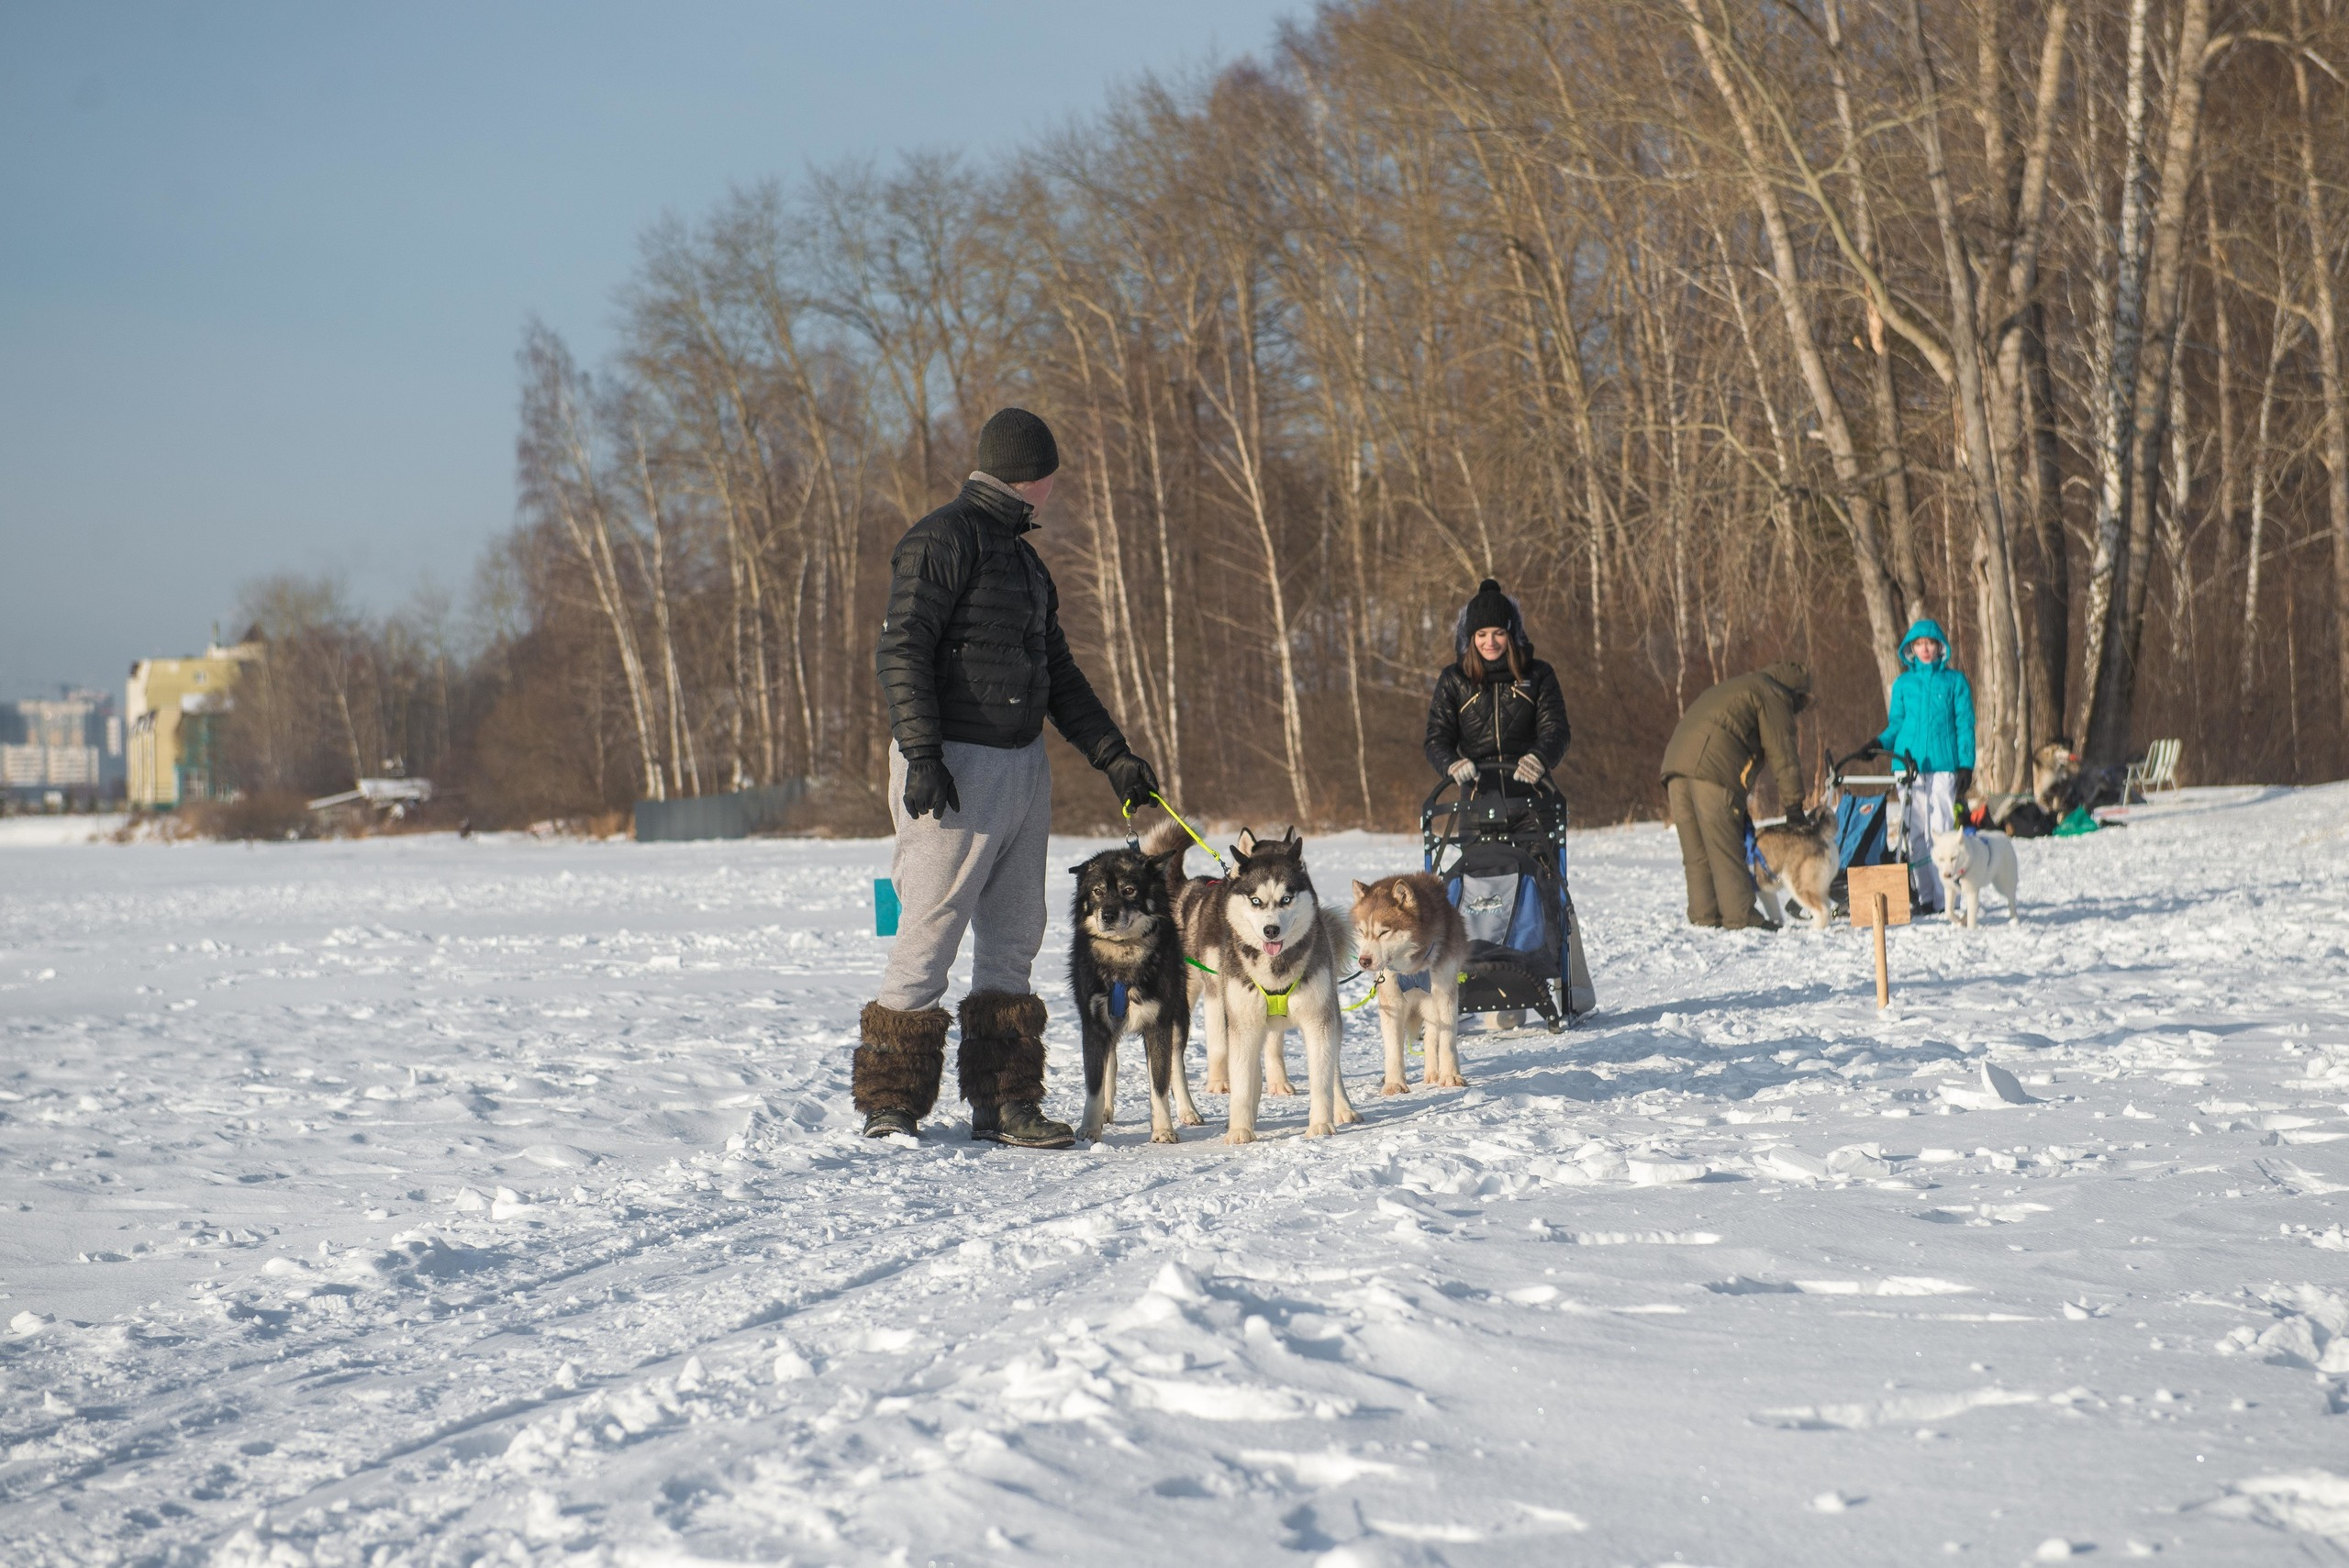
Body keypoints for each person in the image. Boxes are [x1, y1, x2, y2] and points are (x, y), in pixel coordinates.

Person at [859, 407, 1159, 1149]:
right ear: (1035, 475)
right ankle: (892, 1102)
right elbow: (901, 652)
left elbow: (1058, 674)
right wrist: (922, 754)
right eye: (1055, 474)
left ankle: (1006, 1101)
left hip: (1022, 768)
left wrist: (1114, 756)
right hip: (953, 769)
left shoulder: (1025, 563)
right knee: (928, 928)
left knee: (1015, 937)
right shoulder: (941, 540)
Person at [1660, 662, 1814, 930]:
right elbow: (1783, 753)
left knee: (1697, 852)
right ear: (1796, 694)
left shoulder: (1741, 685)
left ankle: (1704, 915)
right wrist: (1794, 806)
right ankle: (1740, 917)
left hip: (1675, 767)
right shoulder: (1774, 693)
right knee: (1726, 848)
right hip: (1712, 771)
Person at [1423, 579, 1571, 793]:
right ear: (1471, 638)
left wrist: (1540, 757)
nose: (1490, 642)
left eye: (1499, 633)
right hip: (1477, 801)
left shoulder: (1539, 674)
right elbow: (1437, 739)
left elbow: (1556, 729)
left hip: (1534, 797)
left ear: (1510, 634)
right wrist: (1451, 763)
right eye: (1481, 635)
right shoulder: (1453, 680)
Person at [1875, 617, 1976, 914]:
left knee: (1942, 830)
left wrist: (1966, 763)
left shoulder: (1955, 681)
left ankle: (1948, 899)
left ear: (1940, 646)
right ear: (1911, 648)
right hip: (1908, 766)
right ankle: (1926, 897)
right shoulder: (1904, 684)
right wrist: (1878, 744)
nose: (1925, 649)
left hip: (1944, 764)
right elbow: (1896, 724)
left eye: (1930, 643)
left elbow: (1965, 724)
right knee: (1916, 831)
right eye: (1919, 644)